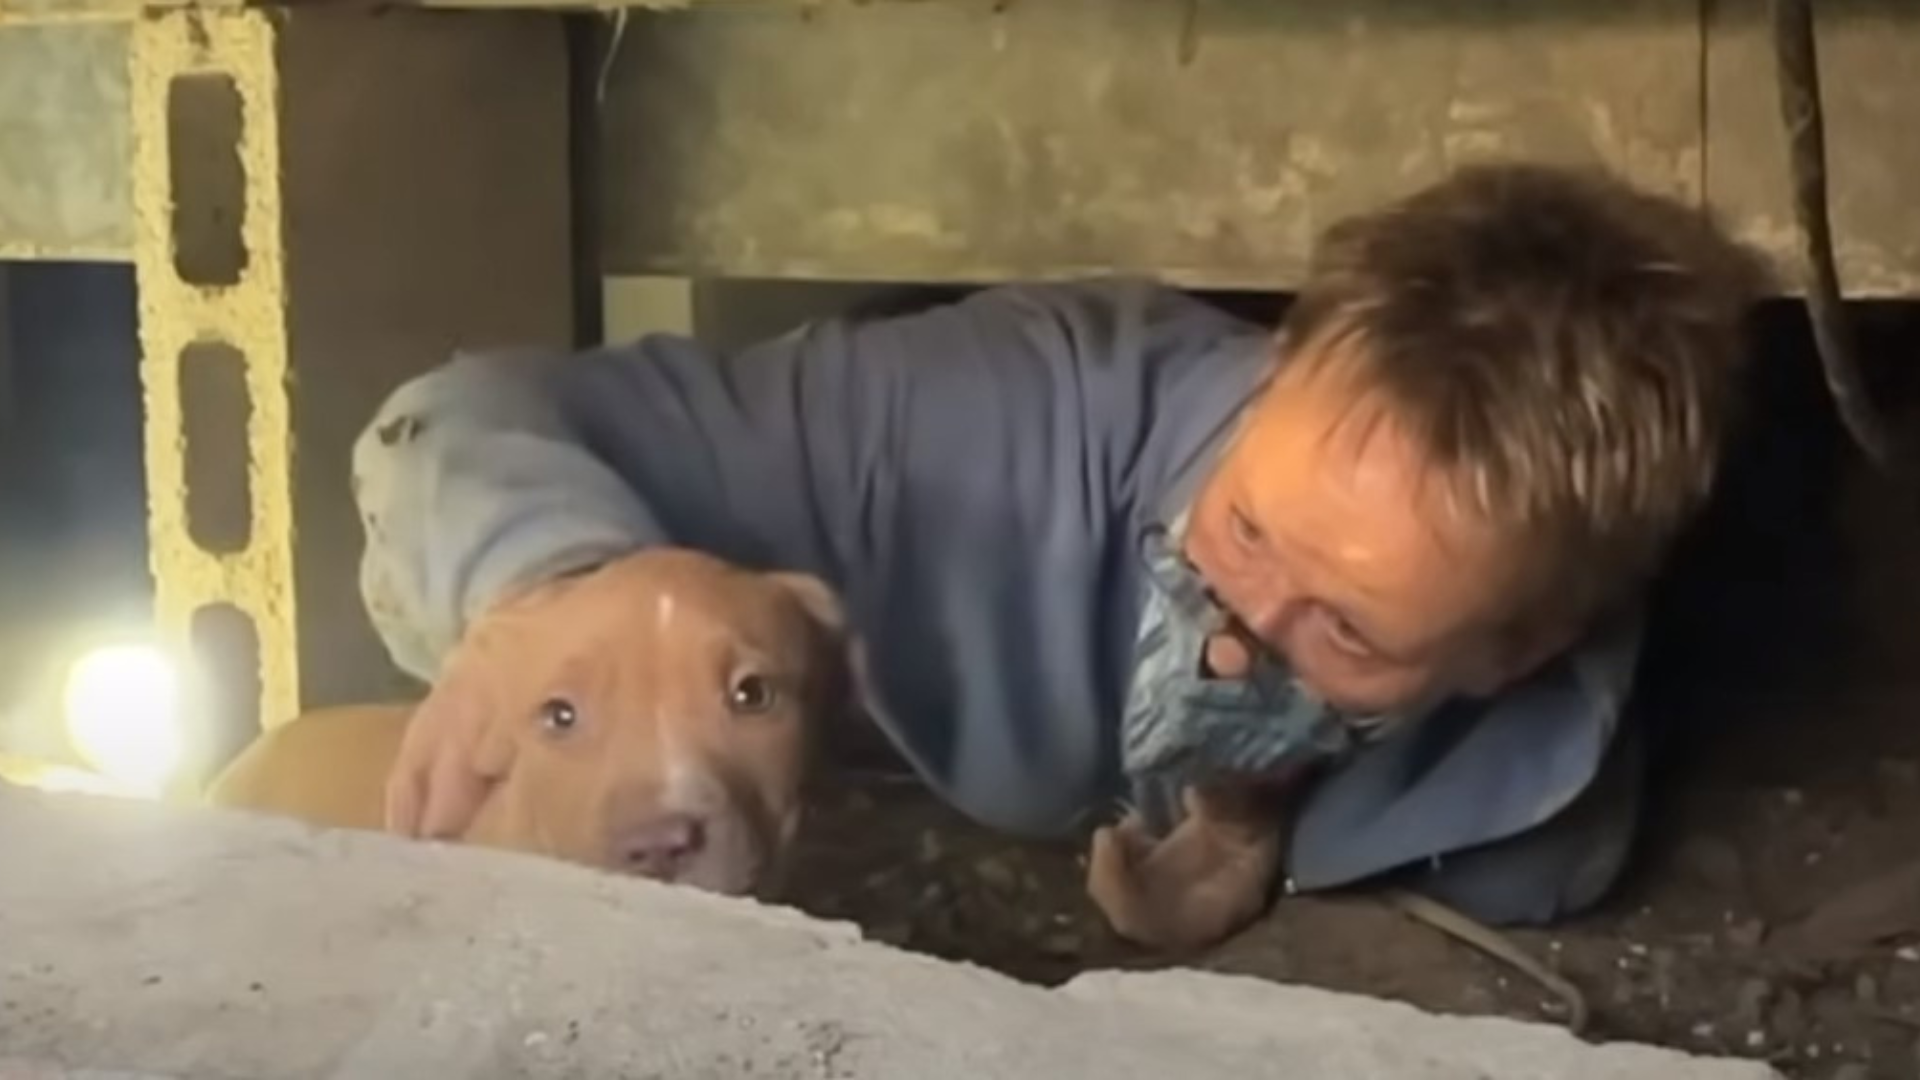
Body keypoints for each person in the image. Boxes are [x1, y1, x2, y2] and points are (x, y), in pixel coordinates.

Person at [351, 162, 1764, 941]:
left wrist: (1255, 824)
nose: (1237, 635)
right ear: (1275, 371)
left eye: (1348, 630)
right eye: (1245, 527)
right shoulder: (981, 423)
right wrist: (548, 584)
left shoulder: (1528, 818)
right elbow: (451, 423)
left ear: (1521, 648)